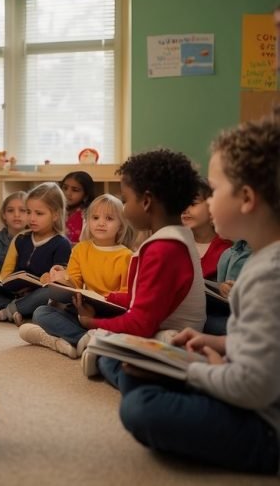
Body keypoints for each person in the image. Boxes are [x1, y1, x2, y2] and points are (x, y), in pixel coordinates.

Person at [115, 114, 280, 475]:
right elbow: (269, 345)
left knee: (139, 407)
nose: (202, 199)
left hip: (267, 425)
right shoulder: (265, 262)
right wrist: (217, 343)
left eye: (215, 190)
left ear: (247, 199)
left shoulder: (267, 276)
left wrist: (196, 368)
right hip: (255, 388)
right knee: (137, 373)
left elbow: (254, 388)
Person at [79, 149, 207, 382]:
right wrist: (106, 297)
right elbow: (144, 298)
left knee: (114, 360)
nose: (125, 209)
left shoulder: (162, 249)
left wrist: (91, 323)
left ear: (146, 201)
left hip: (170, 336)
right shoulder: (178, 236)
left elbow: (140, 324)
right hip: (163, 325)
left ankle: (103, 355)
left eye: (125, 201)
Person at [20, 194, 134, 358]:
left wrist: (95, 308)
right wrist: (60, 278)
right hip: (83, 309)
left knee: (127, 330)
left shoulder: (127, 256)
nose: (101, 223)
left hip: (110, 315)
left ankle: (69, 340)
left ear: (121, 226)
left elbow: (126, 295)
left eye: (109, 218)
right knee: (41, 313)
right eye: (95, 218)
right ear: (88, 222)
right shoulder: (81, 250)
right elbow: (74, 283)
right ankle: (83, 339)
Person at [0, 183, 72, 325]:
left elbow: (60, 282)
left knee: (48, 294)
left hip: (38, 295)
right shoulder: (21, 238)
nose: (32, 218)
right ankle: (16, 310)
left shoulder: (61, 244)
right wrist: (7, 283)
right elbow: (6, 272)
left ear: (55, 214)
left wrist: (43, 281)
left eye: (39, 213)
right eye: (28, 212)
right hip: (13, 294)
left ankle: (3, 312)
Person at [182, 178, 232, 280]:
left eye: (193, 203)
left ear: (212, 207)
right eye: (182, 203)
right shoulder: (178, 245)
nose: (184, 209)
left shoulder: (227, 252)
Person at [61, 171, 95, 244]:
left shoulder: (89, 215)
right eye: (65, 188)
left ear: (86, 195)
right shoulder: (54, 211)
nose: (68, 193)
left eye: (75, 190)